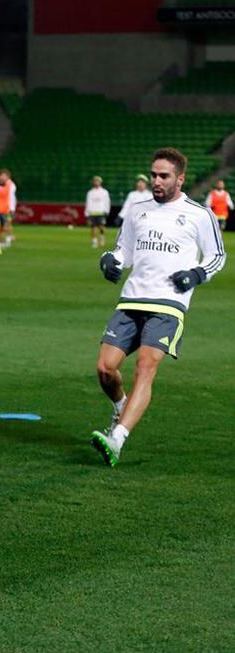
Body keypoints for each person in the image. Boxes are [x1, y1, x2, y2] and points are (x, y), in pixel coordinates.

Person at [92, 147, 225, 466]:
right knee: (105, 369)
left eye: (163, 176)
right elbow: (123, 252)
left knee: (145, 368)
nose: (156, 181)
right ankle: (121, 406)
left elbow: (217, 257)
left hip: (169, 305)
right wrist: (110, 261)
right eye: (153, 175)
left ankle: (118, 438)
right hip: (132, 298)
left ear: (180, 178)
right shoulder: (137, 209)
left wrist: (195, 274)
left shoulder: (199, 214)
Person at [0, 169, 17, 253]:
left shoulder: (11, 186)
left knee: (4, 228)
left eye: (5, 176)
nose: (3, 177)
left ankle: (6, 238)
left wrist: (12, 209)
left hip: (6, 210)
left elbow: (12, 198)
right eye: (2, 175)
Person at [85, 176, 111, 248]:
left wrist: (107, 210)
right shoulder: (90, 192)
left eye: (98, 181)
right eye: (95, 181)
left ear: (100, 182)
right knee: (93, 227)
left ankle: (102, 238)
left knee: (101, 226)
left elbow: (107, 202)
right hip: (92, 212)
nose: (96, 182)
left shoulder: (104, 192)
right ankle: (94, 241)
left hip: (101, 212)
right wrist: (87, 212)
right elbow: (88, 202)